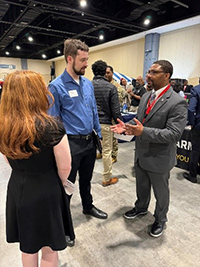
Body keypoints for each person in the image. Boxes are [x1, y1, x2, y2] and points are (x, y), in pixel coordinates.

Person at [0, 70, 75, 267]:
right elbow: (65, 166)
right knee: (50, 249)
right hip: (47, 187)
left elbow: (8, 159)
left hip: (18, 186)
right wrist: (57, 182)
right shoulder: (53, 127)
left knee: (28, 244)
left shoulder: (4, 127)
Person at [111, 60, 187, 238]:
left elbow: (173, 134)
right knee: (142, 186)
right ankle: (141, 208)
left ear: (166, 76)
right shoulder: (146, 96)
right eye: (148, 72)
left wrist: (143, 131)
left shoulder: (177, 102)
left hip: (160, 157)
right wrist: (127, 127)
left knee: (161, 192)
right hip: (141, 153)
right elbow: (140, 121)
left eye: (153, 72)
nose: (148, 75)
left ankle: (161, 219)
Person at [48, 40, 108, 231]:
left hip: (89, 142)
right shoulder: (56, 87)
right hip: (69, 144)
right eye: (83, 60)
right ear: (70, 58)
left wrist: (98, 134)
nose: (86, 64)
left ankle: (87, 206)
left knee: (86, 179)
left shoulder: (88, 84)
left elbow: (93, 111)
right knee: (67, 185)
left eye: (87, 60)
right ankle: (63, 223)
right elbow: (53, 122)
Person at [92, 60, 122, 186]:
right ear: (105, 71)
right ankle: (107, 178)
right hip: (105, 123)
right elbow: (115, 110)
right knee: (107, 151)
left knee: (90, 152)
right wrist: (120, 123)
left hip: (89, 124)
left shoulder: (87, 85)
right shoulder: (111, 87)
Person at [105, 65, 125, 163]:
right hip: (104, 115)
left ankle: (114, 155)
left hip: (113, 115)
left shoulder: (116, 87)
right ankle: (102, 151)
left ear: (112, 73)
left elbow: (119, 101)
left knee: (113, 137)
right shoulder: (103, 85)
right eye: (105, 72)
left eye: (108, 72)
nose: (106, 74)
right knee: (103, 136)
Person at [183, 84, 200, 183]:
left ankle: (192, 175)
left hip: (198, 126)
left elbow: (191, 109)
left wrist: (192, 123)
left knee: (195, 150)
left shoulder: (196, 90)